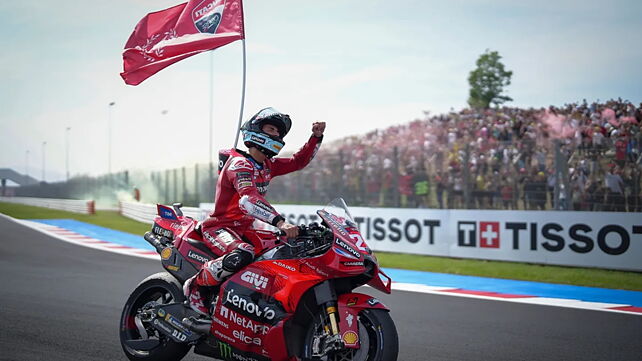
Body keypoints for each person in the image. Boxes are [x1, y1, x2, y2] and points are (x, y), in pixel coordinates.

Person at [184, 107, 325, 316]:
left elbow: (298, 162)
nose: (276, 135)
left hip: (244, 229)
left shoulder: (267, 165)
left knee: (281, 251)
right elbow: (248, 200)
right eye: (271, 129)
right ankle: (195, 286)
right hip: (219, 227)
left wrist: (315, 137)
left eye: (279, 132)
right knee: (243, 253)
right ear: (255, 131)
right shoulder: (239, 164)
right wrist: (280, 222)